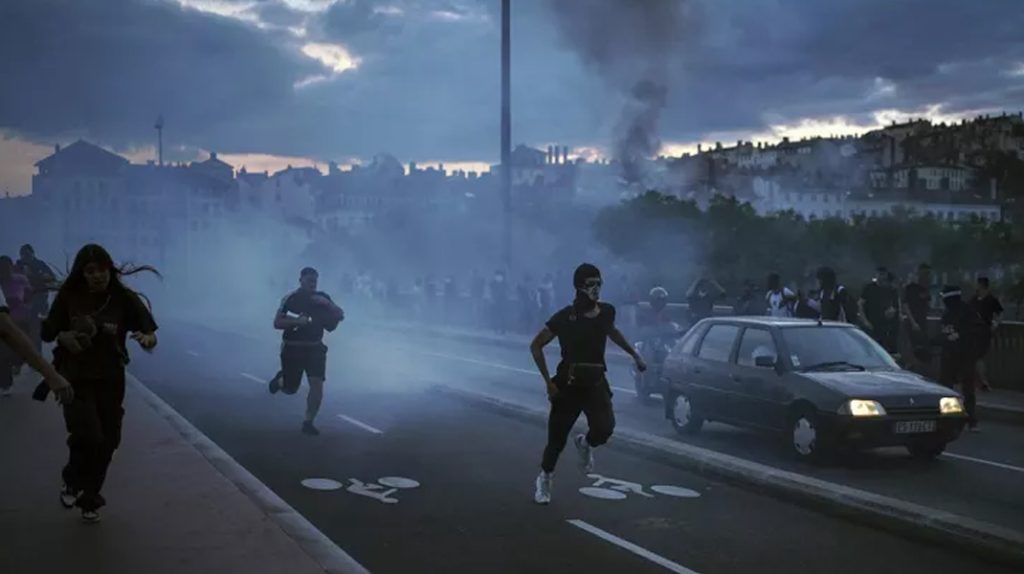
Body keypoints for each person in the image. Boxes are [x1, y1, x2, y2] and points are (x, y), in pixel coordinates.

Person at [41, 244, 159, 522]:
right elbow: (48, 332)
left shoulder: (123, 298)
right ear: (82, 274)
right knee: (89, 434)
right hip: (75, 377)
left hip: (111, 378)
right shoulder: (69, 297)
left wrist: (147, 340)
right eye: (91, 271)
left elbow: (149, 331)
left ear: (110, 270)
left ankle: (90, 497)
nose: (98, 276)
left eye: (102, 270)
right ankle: (72, 480)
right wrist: (63, 337)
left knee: (109, 440)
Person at [528, 263, 647, 505]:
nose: (595, 288)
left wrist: (634, 354)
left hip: (595, 381)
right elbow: (536, 345)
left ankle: (585, 443)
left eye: (598, 283)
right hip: (568, 383)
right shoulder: (565, 317)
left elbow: (612, 332)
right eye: (590, 284)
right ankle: (545, 477)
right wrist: (548, 382)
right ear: (579, 287)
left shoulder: (606, 312)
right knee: (556, 439)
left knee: (605, 428)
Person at [268, 267, 344, 436]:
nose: (313, 284)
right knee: (290, 388)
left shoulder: (323, 298)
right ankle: (280, 381)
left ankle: (308, 422)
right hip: (293, 348)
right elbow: (277, 322)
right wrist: (297, 321)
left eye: (315, 281)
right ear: (301, 280)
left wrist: (329, 305)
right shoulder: (291, 299)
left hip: (315, 348)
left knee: (317, 385)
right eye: (309, 280)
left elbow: (340, 314)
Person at [0, 284, 74, 403]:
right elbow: (6, 327)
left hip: (24, 318)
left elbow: (6, 327)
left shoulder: (22, 279)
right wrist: (51, 376)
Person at [938, 286, 987, 431]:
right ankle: (949, 417)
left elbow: (978, 329)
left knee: (966, 387)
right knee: (949, 387)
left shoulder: (967, 312)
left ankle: (970, 419)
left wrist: (960, 335)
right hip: (952, 354)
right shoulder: (948, 313)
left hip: (965, 353)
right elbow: (943, 331)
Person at [0, 255, 33, 394]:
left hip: (21, 319)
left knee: (19, 350)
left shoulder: (20, 279)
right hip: (4, 322)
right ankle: (5, 384)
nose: (4, 271)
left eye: (6, 267)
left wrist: (25, 304)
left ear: (11, 267)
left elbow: (29, 294)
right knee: (3, 353)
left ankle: (17, 363)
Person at [15, 244, 56, 352]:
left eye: (27, 254)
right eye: (23, 255)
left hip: (38, 303)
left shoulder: (39, 264)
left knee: (35, 331)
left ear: (32, 254)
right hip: (22, 305)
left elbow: (52, 278)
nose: (25, 257)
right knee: (24, 331)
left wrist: (38, 277)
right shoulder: (18, 266)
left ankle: (36, 359)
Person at [970, 277, 1003, 391]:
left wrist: (995, 324)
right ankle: (980, 381)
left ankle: (983, 381)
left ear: (981, 285)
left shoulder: (991, 300)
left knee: (978, 356)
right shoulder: (974, 299)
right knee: (974, 357)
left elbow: (999, 314)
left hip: (984, 331)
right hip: (973, 331)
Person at [859, 267, 900, 354]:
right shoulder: (869, 288)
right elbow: (860, 304)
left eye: (884, 274)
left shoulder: (891, 290)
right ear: (876, 275)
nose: (882, 277)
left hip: (886, 326)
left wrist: (892, 311)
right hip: (871, 324)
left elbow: (896, 306)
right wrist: (865, 321)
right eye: (880, 274)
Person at [903, 263, 934, 373]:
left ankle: (919, 370)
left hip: (923, 321)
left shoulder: (925, 288)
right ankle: (909, 369)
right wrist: (913, 322)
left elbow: (928, 304)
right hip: (913, 322)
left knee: (923, 348)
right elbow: (906, 306)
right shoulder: (910, 288)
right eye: (925, 274)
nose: (927, 276)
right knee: (913, 347)